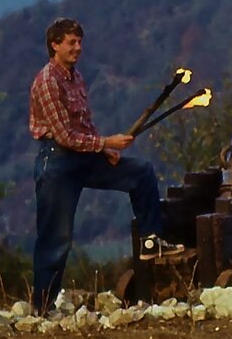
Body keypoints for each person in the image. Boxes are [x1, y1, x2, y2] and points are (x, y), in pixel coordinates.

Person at [29, 17, 183, 314]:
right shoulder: (47, 82)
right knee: (56, 239)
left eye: (79, 42)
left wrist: (103, 152)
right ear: (55, 45)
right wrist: (106, 144)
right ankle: (43, 307)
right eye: (71, 43)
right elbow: (63, 136)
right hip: (57, 163)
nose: (78, 48)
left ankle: (152, 240)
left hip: (83, 156)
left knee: (140, 173)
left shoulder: (75, 77)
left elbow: (82, 126)